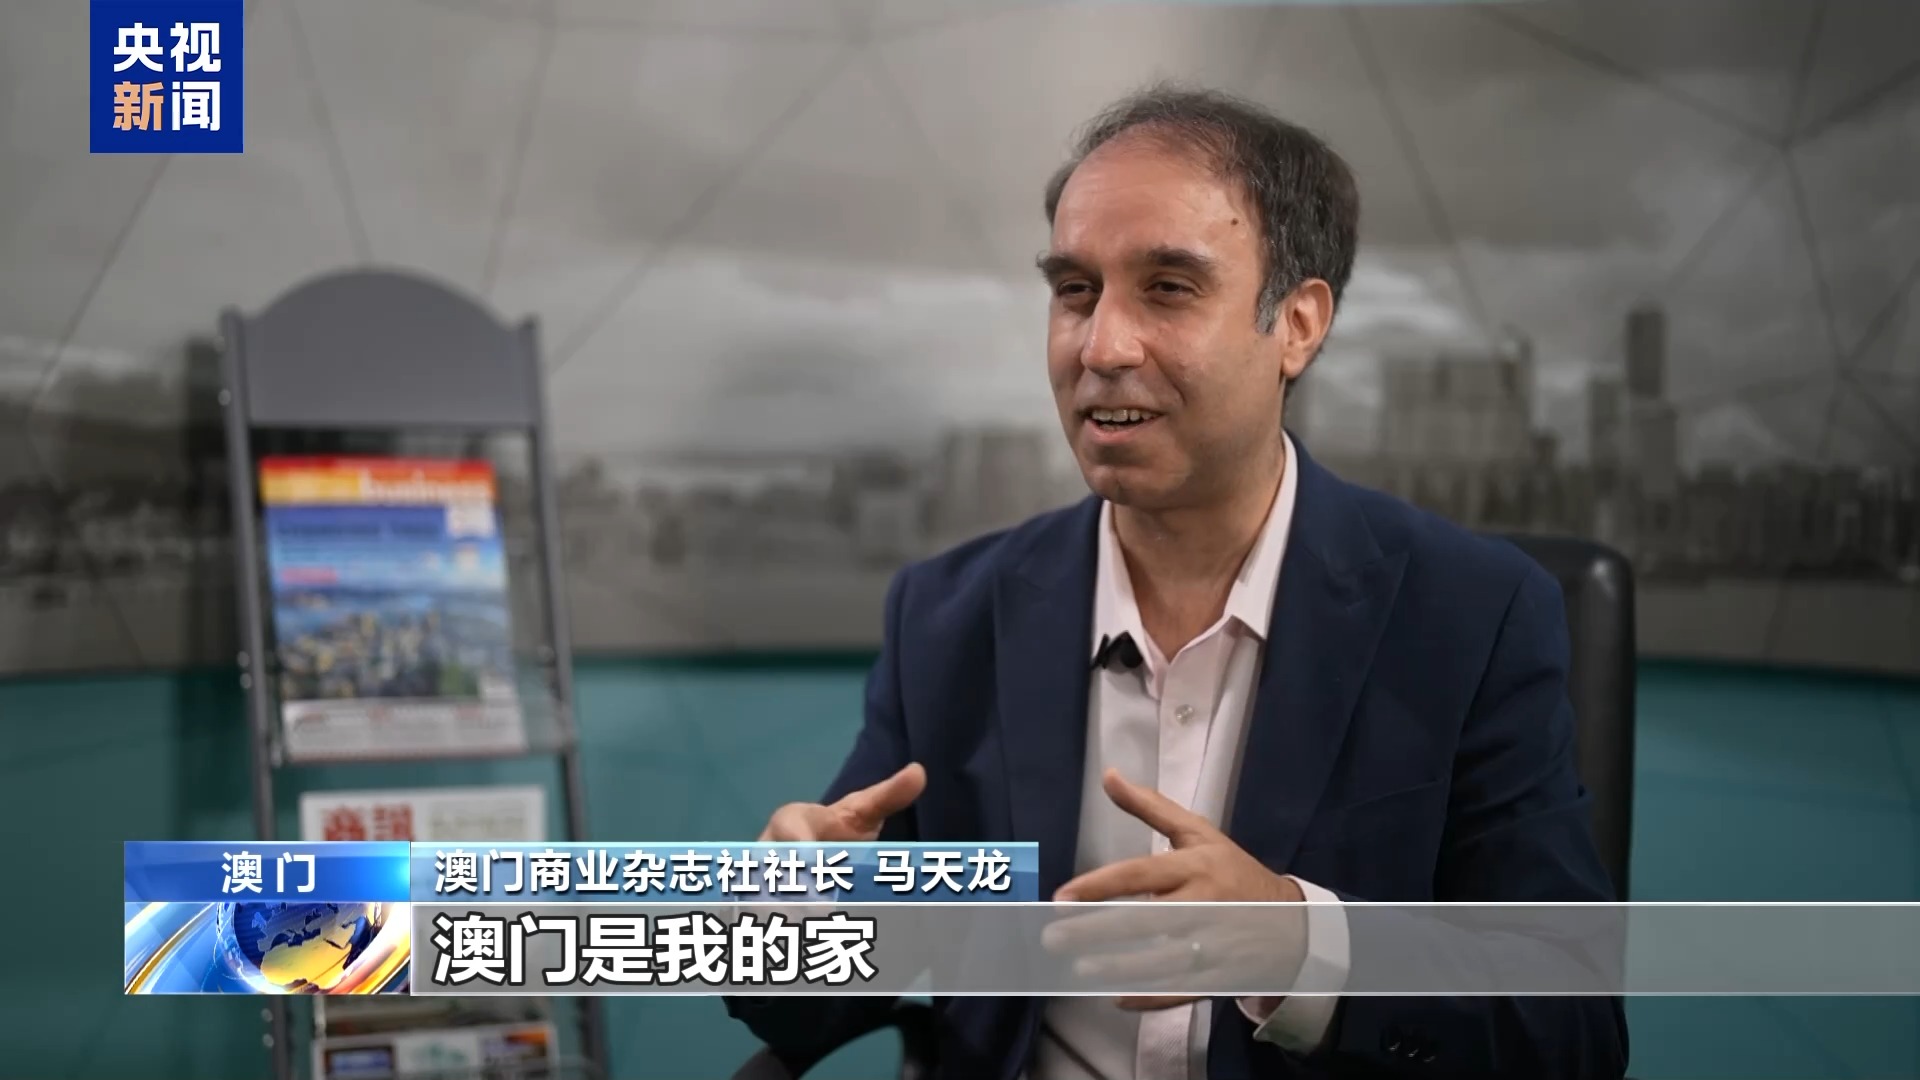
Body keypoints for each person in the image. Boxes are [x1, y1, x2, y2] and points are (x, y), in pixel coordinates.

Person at [727, 84, 1628, 1080]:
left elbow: (1570, 1030)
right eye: (1076, 290)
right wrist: (789, 917)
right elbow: (796, 1010)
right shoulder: (947, 617)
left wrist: (1299, 944)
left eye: (1167, 288)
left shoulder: (1471, 616)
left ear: (1297, 324)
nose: (1101, 346)